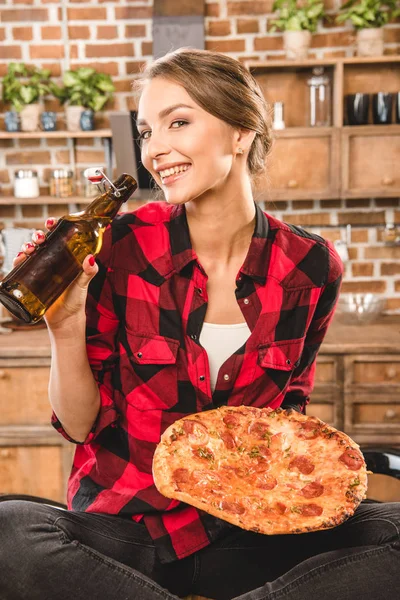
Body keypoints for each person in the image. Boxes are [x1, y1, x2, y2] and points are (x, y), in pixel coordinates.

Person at [0, 48, 398, 600]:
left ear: (241, 132)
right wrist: (64, 327)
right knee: (9, 530)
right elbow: (76, 424)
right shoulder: (120, 245)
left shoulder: (311, 266)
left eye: (178, 122)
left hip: (246, 530)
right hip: (130, 533)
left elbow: (288, 420)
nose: (155, 150)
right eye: (146, 131)